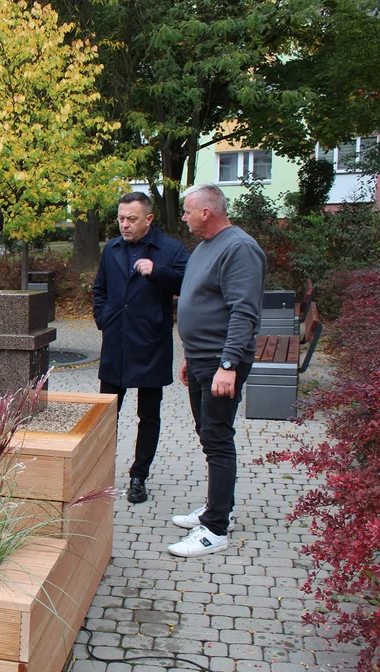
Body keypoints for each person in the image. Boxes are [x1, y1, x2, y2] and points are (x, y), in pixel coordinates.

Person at [169, 183, 266, 558]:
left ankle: (215, 529)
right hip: (202, 359)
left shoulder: (239, 248)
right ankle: (214, 508)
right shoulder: (207, 247)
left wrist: (227, 364)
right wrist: (192, 355)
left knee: (218, 437)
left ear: (206, 212)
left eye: (187, 211)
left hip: (221, 362)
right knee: (207, 435)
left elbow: (244, 311)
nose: (183, 217)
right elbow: (203, 303)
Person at [93, 191, 189, 504]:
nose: (124, 224)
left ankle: (138, 476)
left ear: (148, 219)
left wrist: (158, 271)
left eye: (131, 219)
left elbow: (189, 284)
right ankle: (99, 472)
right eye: (120, 218)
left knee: (148, 415)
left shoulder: (171, 248)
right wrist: (103, 318)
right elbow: (100, 289)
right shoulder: (112, 248)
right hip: (116, 341)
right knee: (107, 414)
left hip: (151, 343)